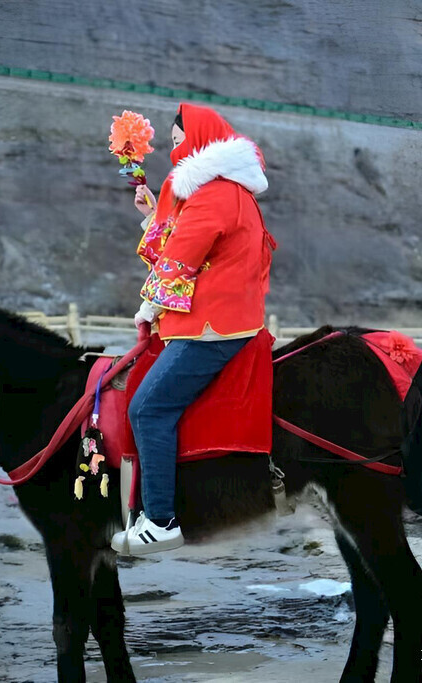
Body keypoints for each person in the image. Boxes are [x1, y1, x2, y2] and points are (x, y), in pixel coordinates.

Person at [111, 103, 275, 555]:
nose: (174, 150)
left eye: (178, 140)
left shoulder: (214, 193)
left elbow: (180, 257)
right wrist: (153, 213)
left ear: (200, 139)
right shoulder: (227, 191)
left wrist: (148, 306)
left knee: (148, 409)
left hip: (212, 327)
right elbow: (185, 245)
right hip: (220, 320)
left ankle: (161, 520)